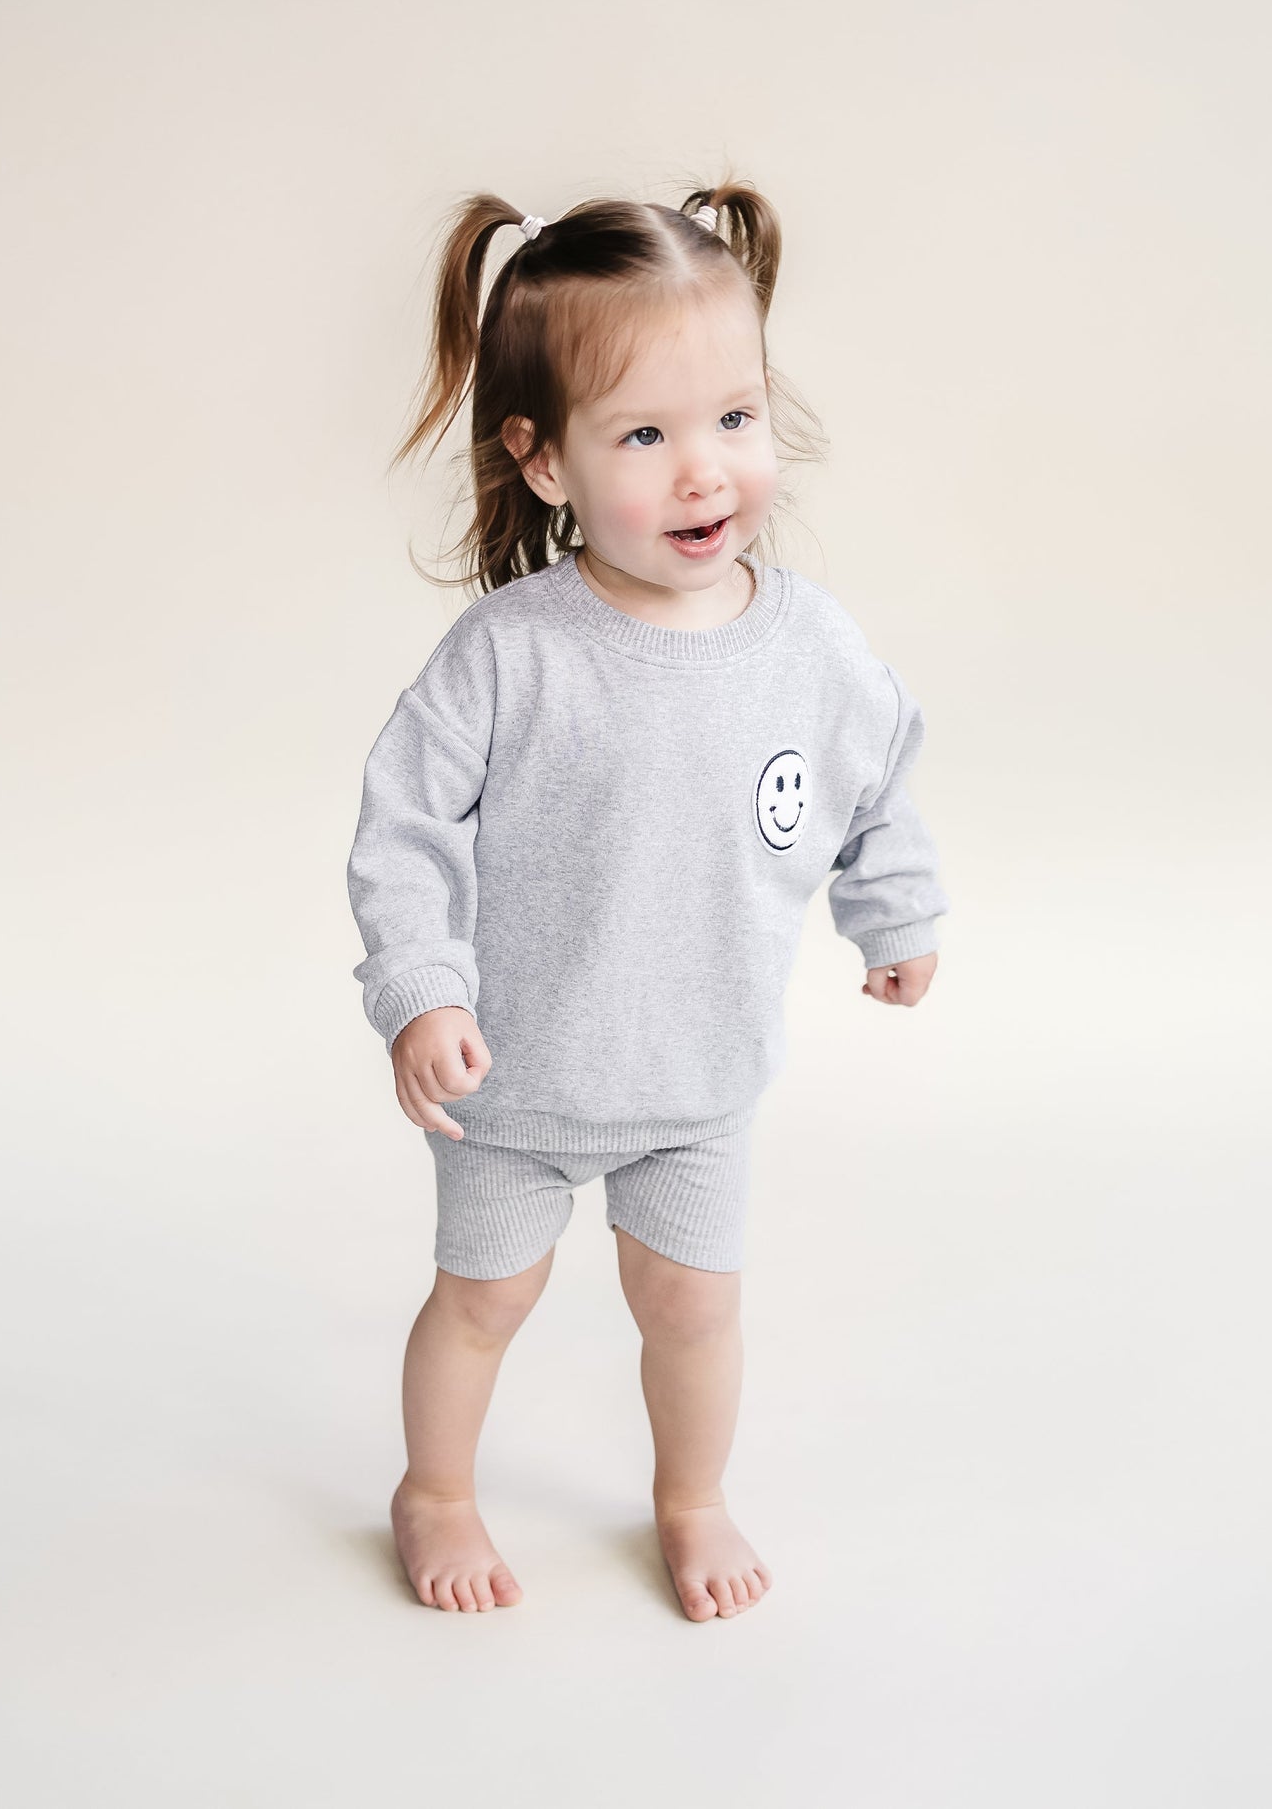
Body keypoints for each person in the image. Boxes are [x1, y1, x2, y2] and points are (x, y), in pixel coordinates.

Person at [346, 181, 951, 1621]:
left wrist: (896, 907)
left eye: (735, 418)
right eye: (645, 436)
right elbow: (404, 828)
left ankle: (691, 1497)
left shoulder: (808, 644)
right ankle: (436, 1492)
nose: (705, 473)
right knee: (484, 1299)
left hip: (698, 1078)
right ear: (542, 459)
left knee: (693, 1305)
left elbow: (874, 779)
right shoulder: (514, 653)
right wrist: (420, 991)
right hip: (514, 1082)